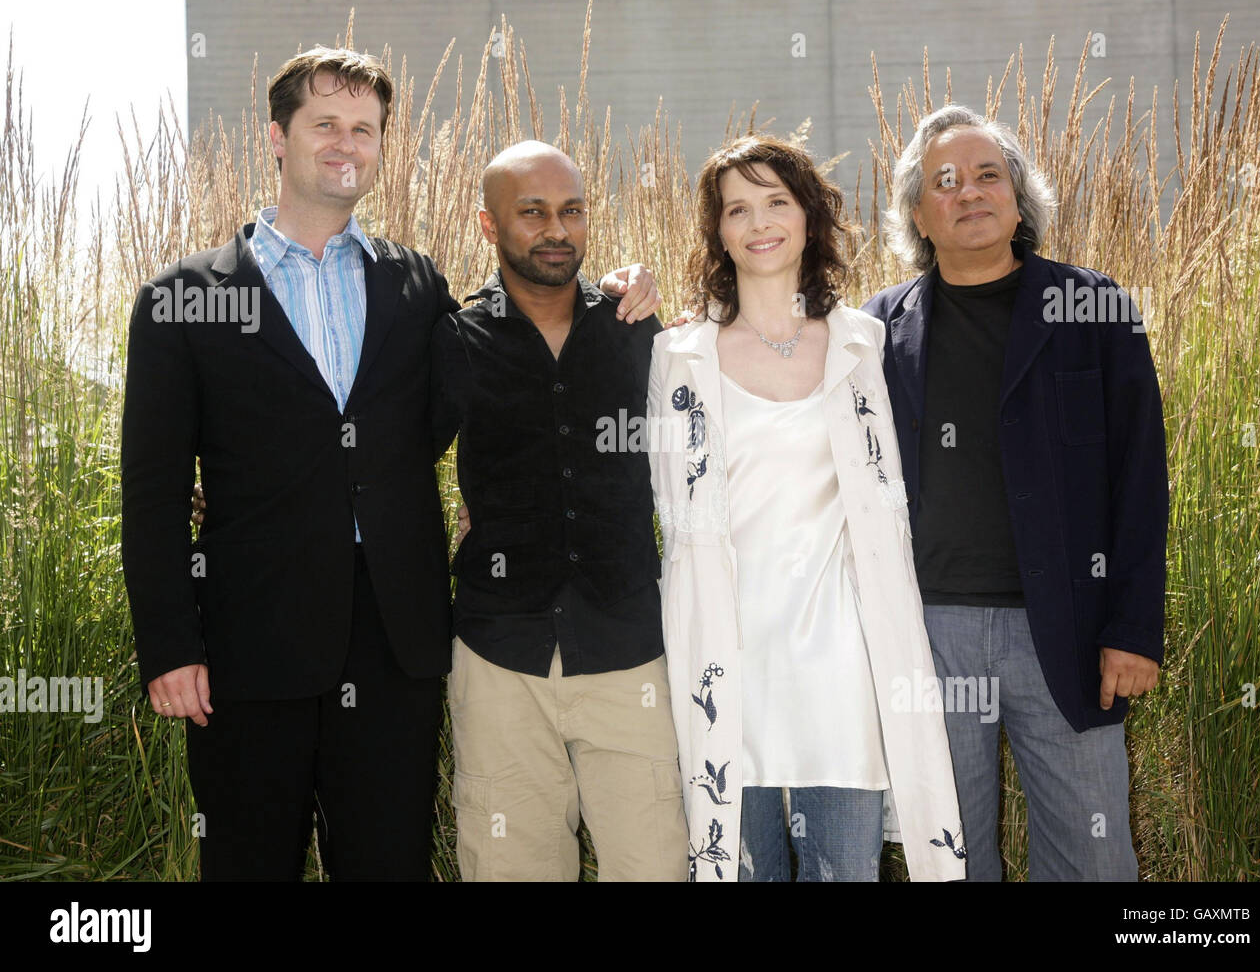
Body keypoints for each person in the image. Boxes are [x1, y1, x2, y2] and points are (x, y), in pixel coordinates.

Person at [122, 46, 658, 881]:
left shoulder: (415, 284)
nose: (347, 143)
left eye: (365, 129)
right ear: (278, 135)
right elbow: (151, 492)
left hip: (397, 644)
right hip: (247, 647)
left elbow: (507, 364)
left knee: (388, 863)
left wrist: (624, 289)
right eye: (326, 123)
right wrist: (168, 644)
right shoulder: (182, 300)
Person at [650, 135, 965, 881]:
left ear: (809, 217)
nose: (759, 222)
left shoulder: (862, 346)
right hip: (729, 667)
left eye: (776, 202)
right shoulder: (680, 358)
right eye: (738, 208)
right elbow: (665, 517)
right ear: (718, 231)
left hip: (842, 671)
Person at [864, 104, 1167, 880]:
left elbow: (1140, 479)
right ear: (919, 216)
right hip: (930, 636)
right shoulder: (873, 330)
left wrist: (1133, 626)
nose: (969, 192)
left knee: (1095, 860)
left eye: (988, 174)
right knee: (953, 860)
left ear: (1018, 196)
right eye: (945, 181)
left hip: (1066, 629)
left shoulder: (1093, 308)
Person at [433, 141, 687, 881]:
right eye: (533, 212)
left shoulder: (639, 329)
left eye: (571, 210)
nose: (556, 229)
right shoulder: (453, 341)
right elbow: (382, 462)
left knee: (656, 866)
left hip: (630, 653)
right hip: (500, 656)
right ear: (489, 225)